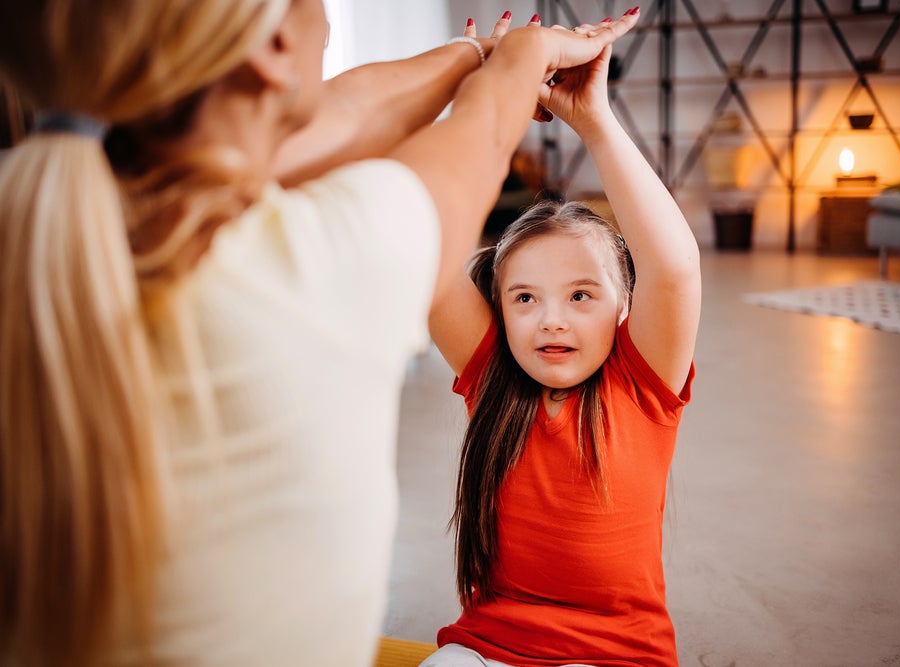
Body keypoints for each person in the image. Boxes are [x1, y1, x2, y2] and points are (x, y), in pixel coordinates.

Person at [0, 2, 640, 665]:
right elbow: (475, 132)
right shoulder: (324, 259)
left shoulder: (35, 211)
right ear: (275, 41)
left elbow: (355, 112)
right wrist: (530, 53)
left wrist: (479, 56)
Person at [421, 15, 701, 667]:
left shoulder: (642, 382)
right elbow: (422, 228)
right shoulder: (492, 372)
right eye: (525, 299)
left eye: (581, 295)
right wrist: (482, 78)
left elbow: (677, 267)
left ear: (625, 306)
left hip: (616, 654)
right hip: (490, 645)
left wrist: (594, 120)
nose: (552, 320)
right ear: (499, 311)